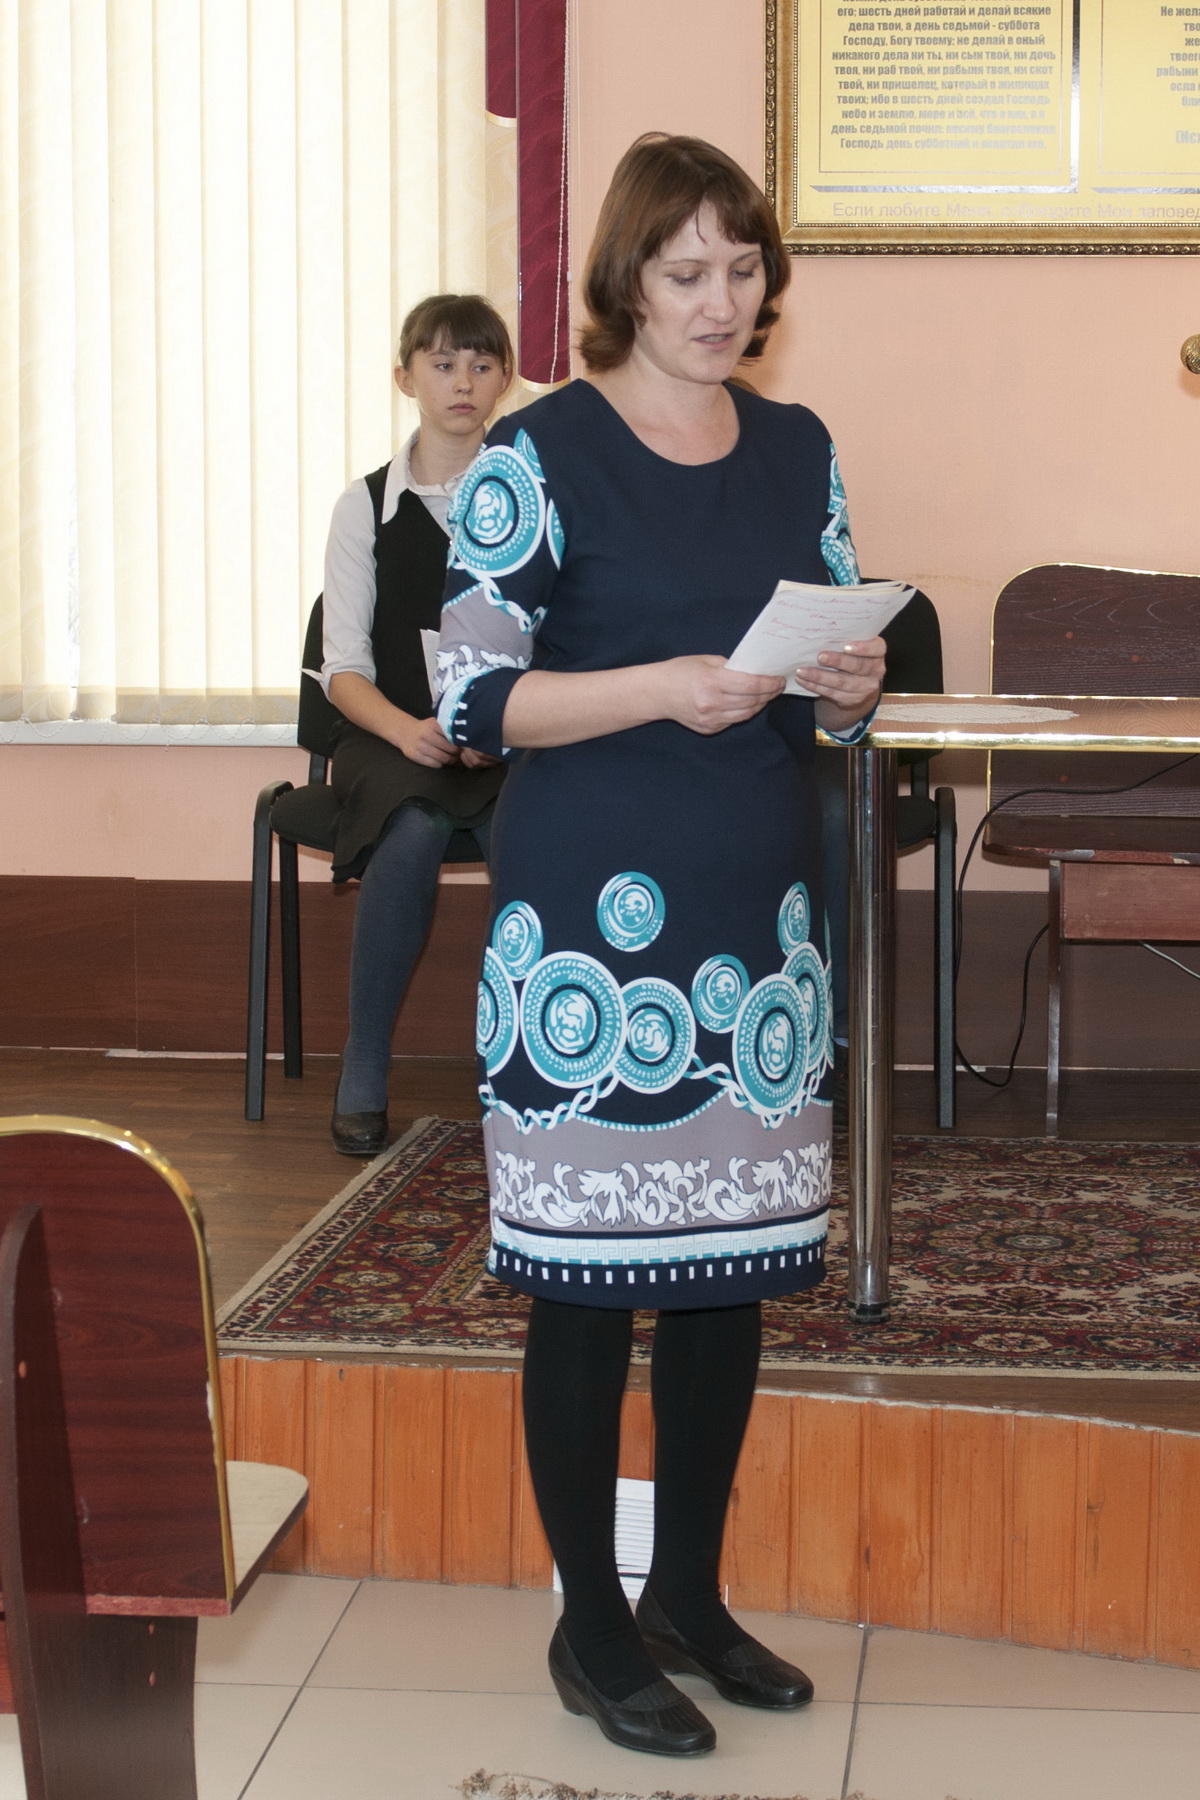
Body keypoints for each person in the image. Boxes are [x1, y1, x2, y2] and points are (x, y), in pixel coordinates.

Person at [436, 136, 885, 1758]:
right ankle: (593, 1625)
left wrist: (850, 688)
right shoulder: (538, 451)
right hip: (590, 947)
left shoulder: (799, 447)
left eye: (743, 269)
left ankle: (688, 1593)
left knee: (724, 1278)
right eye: (688, 271)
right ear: (625, 280)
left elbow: (834, 668)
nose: (721, 299)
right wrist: (659, 687)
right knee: (585, 1288)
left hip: (756, 941)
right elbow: (471, 699)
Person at [321, 294, 512, 1156]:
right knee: (414, 824)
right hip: (390, 736)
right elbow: (342, 669)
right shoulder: (363, 506)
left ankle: (531, 1058)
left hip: (507, 734)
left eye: (481, 364)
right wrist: (408, 732)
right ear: (406, 378)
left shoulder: (533, 495)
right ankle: (364, 1062)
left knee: (535, 824)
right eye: (442, 364)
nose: (462, 382)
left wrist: (496, 724)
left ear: (505, 380)